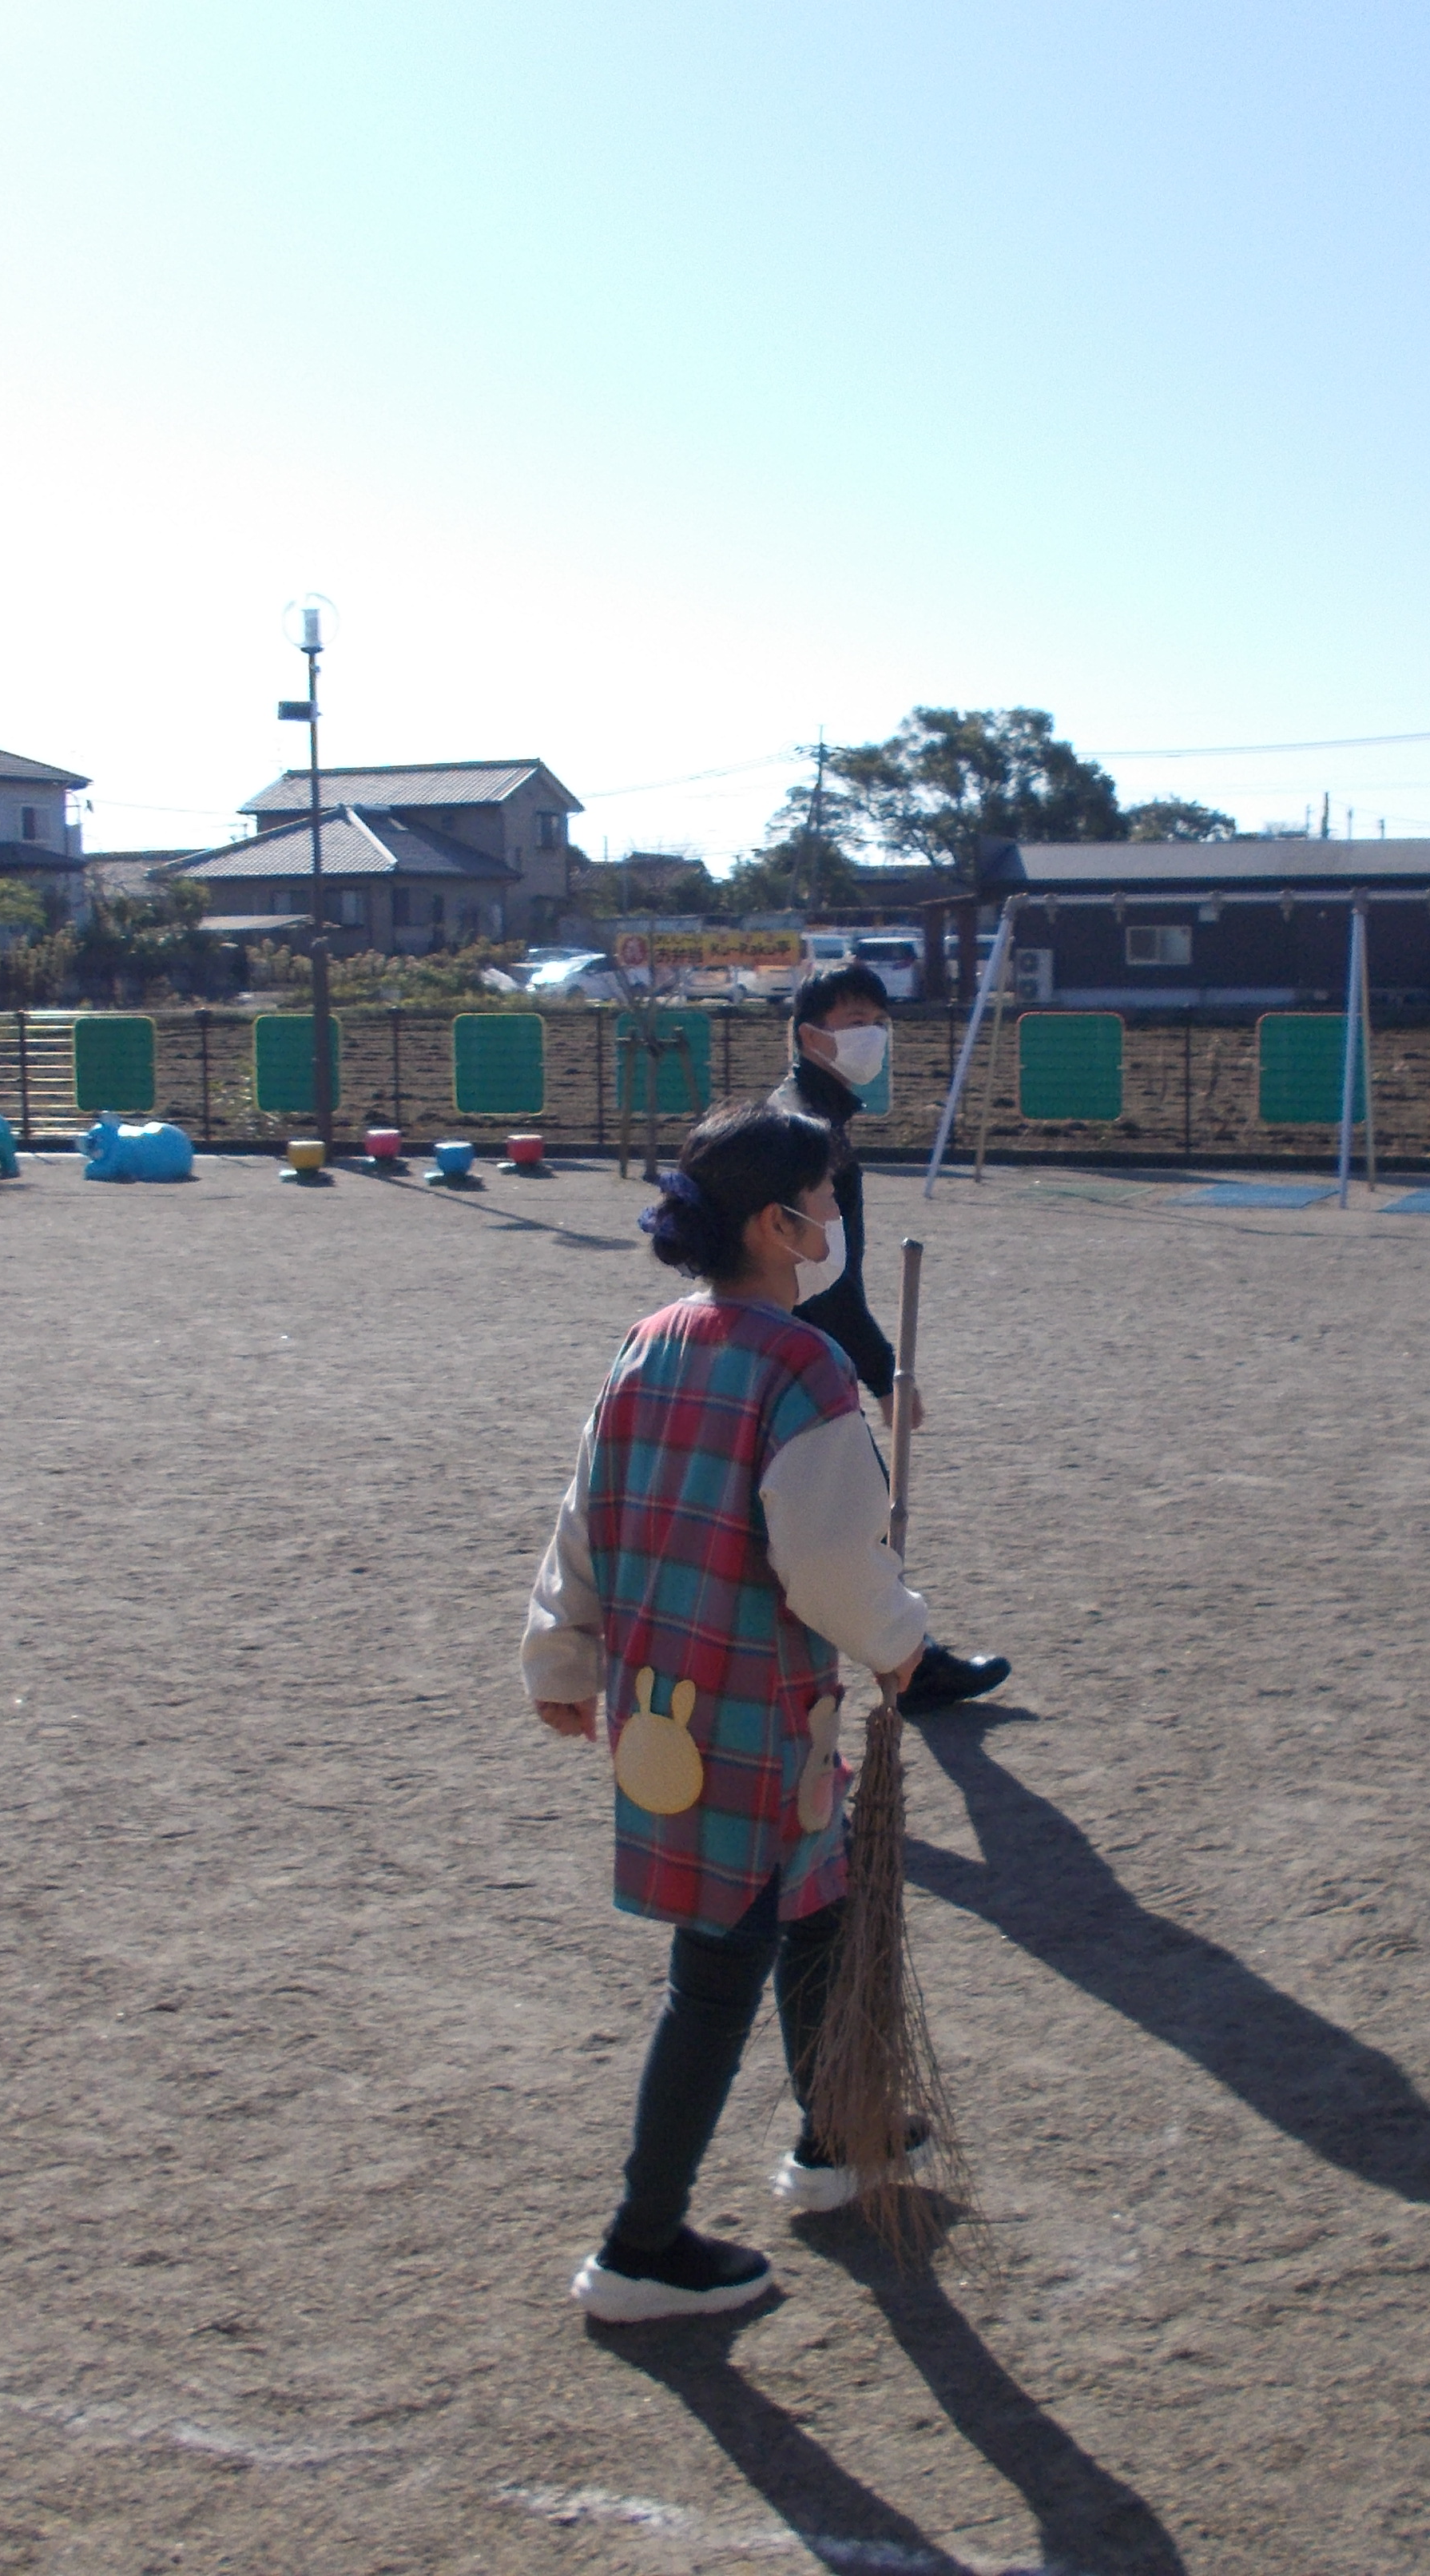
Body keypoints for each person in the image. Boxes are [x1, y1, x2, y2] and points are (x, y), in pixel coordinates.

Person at [523, 1101, 935, 2320]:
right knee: (717, 1970)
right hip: (754, 1713)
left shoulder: (648, 1342)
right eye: (824, 1197)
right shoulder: (803, 1369)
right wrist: (901, 1641)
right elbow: (829, 1561)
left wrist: (563, 1657)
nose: (835, 1215)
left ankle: (841, 2133)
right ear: (774, 1223)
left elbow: (586, 1510)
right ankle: (639, 2246)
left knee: (817, 1908)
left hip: (665, 1699)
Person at [771, 959, 1009, 1710]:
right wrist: (884, 1374)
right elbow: (827, 1278)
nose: (871, 1036)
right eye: (853, 1023)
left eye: (879, 1022)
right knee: (853, 1517)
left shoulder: (808, 1115)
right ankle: (909, 1665)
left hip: (782, 1343)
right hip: (797, 1352)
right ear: (810, 1036)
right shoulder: (809, 1132)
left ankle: (906, 1660)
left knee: (824, 1519)